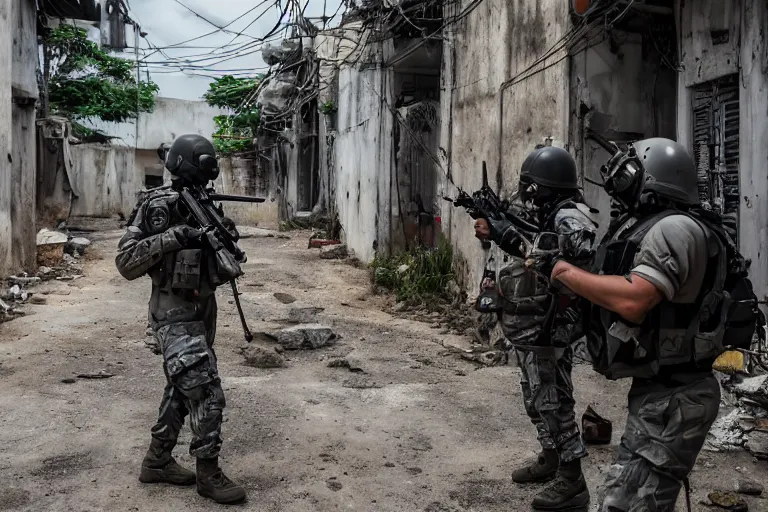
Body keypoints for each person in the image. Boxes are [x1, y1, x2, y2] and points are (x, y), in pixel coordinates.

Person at [550, 138, 744, 511]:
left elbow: (633, 299)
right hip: (666, 391)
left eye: (628, 173)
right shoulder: (674, 225)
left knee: (624, 504)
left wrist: (565, 273)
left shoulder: (674, 229)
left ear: (654, 176)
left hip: (677, 395)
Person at [115, 134, 246, 505]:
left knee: (182, 388)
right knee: (206, 392)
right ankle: (208, 474)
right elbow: (126, 262)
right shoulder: (159, 206)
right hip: (173, 312)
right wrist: (175, 236)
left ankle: (157, 462)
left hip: (201, 311)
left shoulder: (203, 202)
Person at [475, 145, 597, 511]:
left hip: (556, 324)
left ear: (547, 187)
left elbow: (582, 250)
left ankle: (573, 480)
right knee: (535, 396)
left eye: (532, 187)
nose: (528, 195)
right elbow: (534, 249)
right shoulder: (550, 215)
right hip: (537, 323)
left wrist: (538, 251)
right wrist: (499, 233)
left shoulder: (569, 216)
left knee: (553, 399)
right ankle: (552, 456)